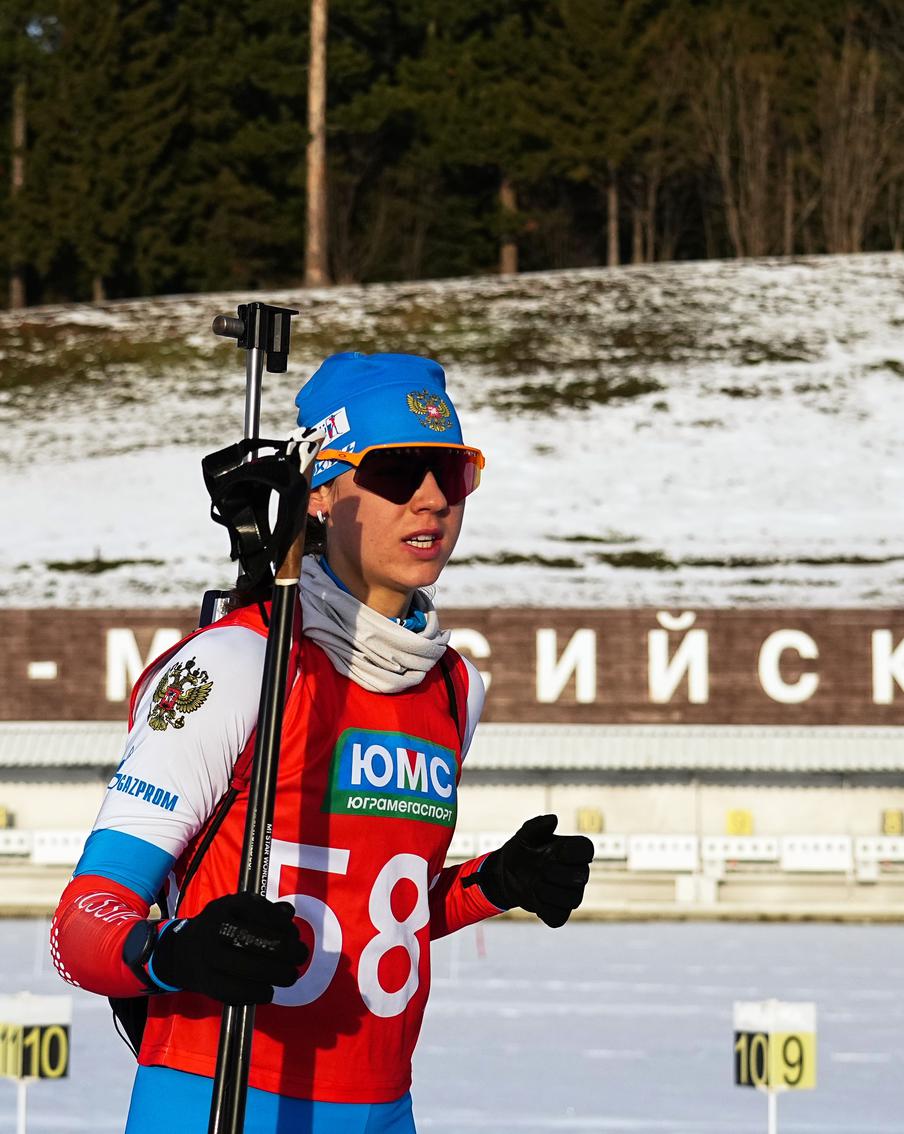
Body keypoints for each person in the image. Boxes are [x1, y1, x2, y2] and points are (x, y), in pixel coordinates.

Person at [50, 352, 595, 1133]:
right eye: (397, 471)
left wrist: (494, 882)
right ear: (320, 494)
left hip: (382, 1111)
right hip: (220, 1102)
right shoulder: (239, 663)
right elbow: (80, 926)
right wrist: (174, 953)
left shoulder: (451, 687)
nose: (434, 498)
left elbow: (374, 920)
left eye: (452, 470)